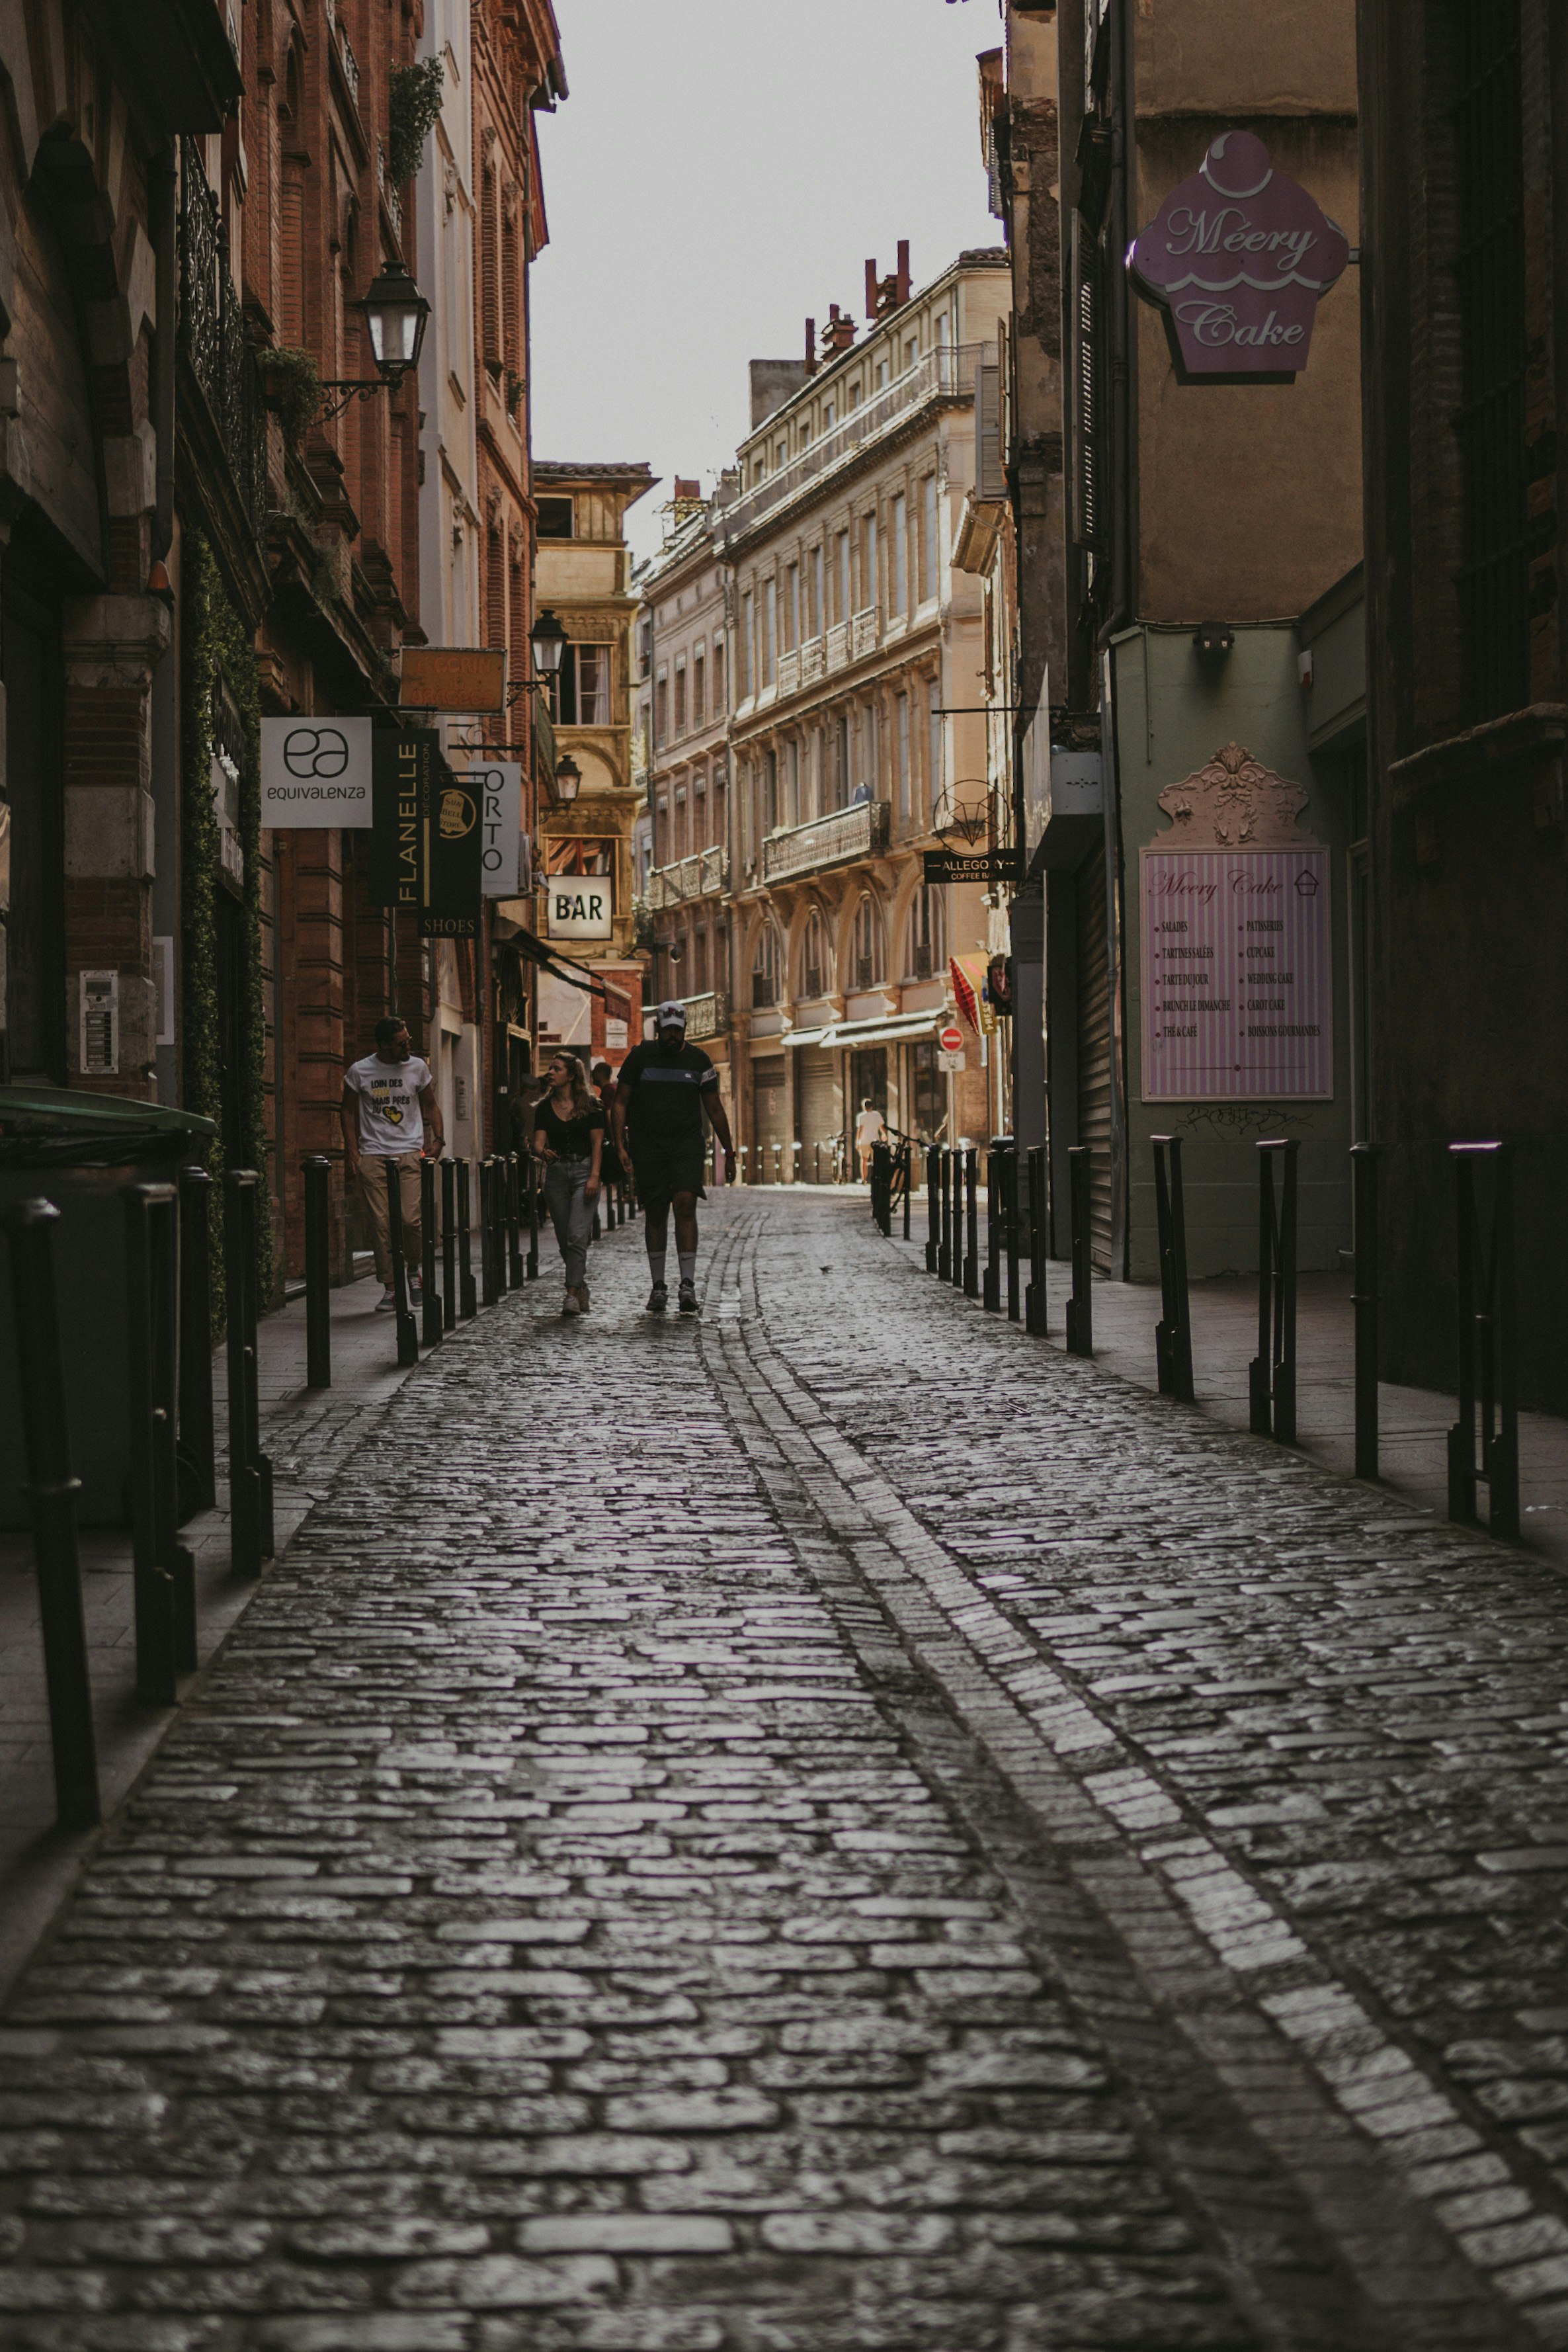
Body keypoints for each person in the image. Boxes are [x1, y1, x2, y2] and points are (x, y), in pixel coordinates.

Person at [612, 1000, 733, 1315]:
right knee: (655, 1212)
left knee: (685, 1203)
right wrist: (620, 1146)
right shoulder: (640, 1057)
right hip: (648, 1146)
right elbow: (621, 1101)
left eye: (677, 1031)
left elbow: (715, 1108)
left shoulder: (699, 1060)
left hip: (686, 1146)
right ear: (658, 1028)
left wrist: (729, 1150)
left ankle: (687, 1285)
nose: (672, 1037)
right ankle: (658, 1286)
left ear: (685, 1030)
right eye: (667, 1031)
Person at [341, 1018, 443, 1311]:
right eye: (402, 1043)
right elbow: (346, 1112)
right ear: (384, 1045)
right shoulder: (360, 1071)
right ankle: (391, 1287)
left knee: (411, 1221)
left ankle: (413, 1271)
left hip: (410, 1154)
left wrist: (439, 1140)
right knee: (381, 1225)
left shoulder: (418, 1067)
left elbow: (431, 1105)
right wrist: (354, 1153)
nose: (407, 1046)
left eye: (407, 1039)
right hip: (373, 1156)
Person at [533, 1052, 604, 1318]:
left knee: (577, 1235)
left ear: (572, 1075)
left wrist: (594, 1176)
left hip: (584, 1171)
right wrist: (541, 1150)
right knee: (565, 1240)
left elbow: (597, 1143)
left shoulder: (593, 1106)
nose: (550, 1072)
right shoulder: (544, 1107)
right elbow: (538, 1141)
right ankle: (581, 1284)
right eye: (550, 1068)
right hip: (556, 1174)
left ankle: (571, 1295)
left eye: (557, 1069)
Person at [855, 1096, 887, 1183]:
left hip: (864, 1141)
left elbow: (860, 1130)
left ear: (864, 1107)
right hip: (875, 1141)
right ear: (872, 1106)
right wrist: (884, 1134)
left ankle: (864, 1179)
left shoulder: (861, 1116)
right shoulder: (877, 1115)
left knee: (864, 1160)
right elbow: (882, 1127)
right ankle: (876, 1178)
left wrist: (857, 1142)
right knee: (876, 1161)